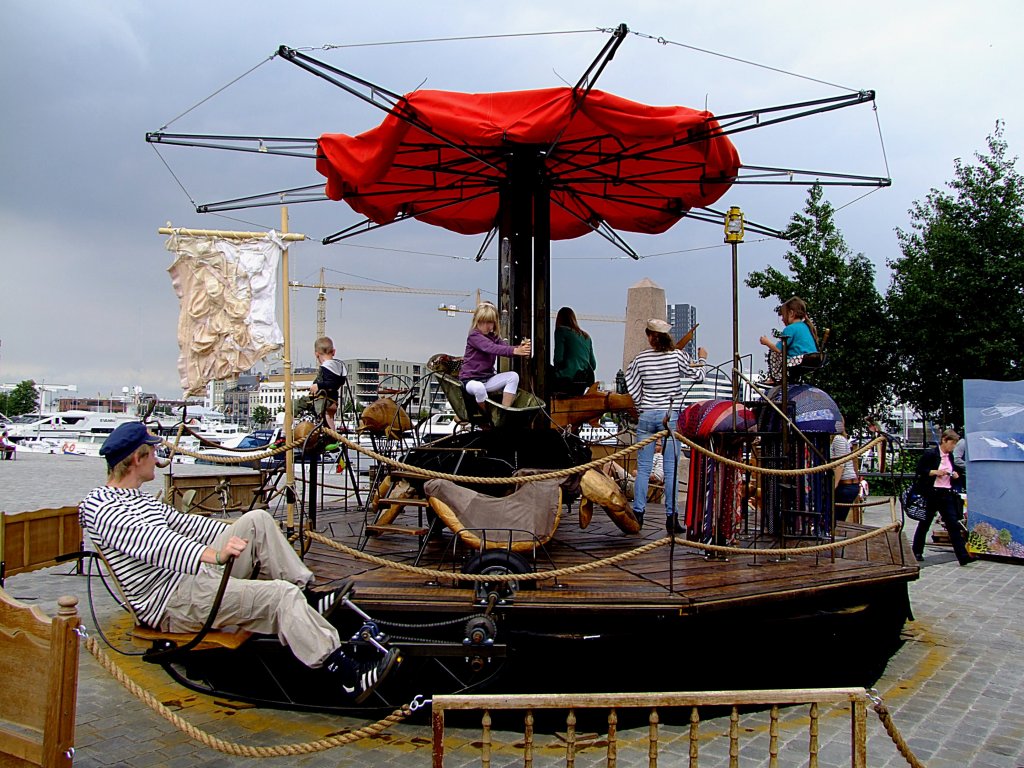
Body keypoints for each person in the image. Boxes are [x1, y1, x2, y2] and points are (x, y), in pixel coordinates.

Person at [79, 422, 399, 703]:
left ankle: (308, 597)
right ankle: (346, 675)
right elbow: (155, 543)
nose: (157, 458)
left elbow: (186, 525)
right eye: (152, 452)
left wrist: (232, 534)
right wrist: (212, 555)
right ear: (138, 458)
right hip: (172, 602)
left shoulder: (139, 499)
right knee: (280, 596)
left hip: (192, 580)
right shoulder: (102, 508)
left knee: (257, 520)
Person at [625, 318, 707, 533]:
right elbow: (699, 376)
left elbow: (631, 384)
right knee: (671, 470)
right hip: (670, 415)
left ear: (649, 336)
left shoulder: (640, 359)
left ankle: (638, 514)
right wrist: (703, 358)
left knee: (643, 469)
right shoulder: (677, 356)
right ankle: (672, 518)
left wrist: (641, 403)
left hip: (647, 415)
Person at [910, 429, 973, 565]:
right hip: (932, 493)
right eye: (952, 443)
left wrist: (955, 475)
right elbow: (920, 470)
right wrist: (935, 472)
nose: (953, 447)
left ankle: (962, 556)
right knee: (925, 522)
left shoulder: (950, 457)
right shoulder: (931, 454)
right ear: (944, 440)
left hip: (946, 493)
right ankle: (917, 551)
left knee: (953, 524)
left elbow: (953, 470)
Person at [459, 302, 532, 410]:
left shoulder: (494, 337)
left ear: (494, 323)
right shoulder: (474, 336)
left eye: (489, 322)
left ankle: (503, 412)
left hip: (488, 378)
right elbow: (491, 348)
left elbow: (505, 348)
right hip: (470, 381)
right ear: (476, 321)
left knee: (513, 376)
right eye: (482, 322)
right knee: (479, 388)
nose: (486, 326)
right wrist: (516, 350)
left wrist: (520, 348)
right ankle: (486, 416)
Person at [759, 296, 818, 384]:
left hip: (800, 359)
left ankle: (776, 378)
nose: (782, 319)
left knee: (774, 352)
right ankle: (790, 378)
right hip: (812, 358)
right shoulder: (805, 326)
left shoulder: (790, 328)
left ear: (791, 313)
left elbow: (778, 349)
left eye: (783, 315)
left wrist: (766, 342)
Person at [551, 307, 597, 396]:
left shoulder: (561, 331)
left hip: (566, 379)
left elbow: (558, 359)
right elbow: (593, 365)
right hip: (583, 382)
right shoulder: (586, 337)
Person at [309, 336, 347, 431]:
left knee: (294, 406)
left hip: (324, 400)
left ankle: (284, 433)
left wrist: (318, 385)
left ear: (316, 354)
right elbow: (338, 382)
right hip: (333, 400)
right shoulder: (338, 366)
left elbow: (331, 383)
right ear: (334, 352)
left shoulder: (326, 367)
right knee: (329, 416)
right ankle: (331, 434)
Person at [830, 417, 860, 522]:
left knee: (836, 519)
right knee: (838, 518)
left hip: (845, 485)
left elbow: (840, 465)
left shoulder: (838, 439)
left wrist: (833, 487)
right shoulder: (841, 439)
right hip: (847, 485)